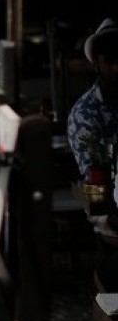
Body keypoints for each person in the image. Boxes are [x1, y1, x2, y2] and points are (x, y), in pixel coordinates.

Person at [68, 18, 118, 212]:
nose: (117, 68)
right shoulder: (86, 114)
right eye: (110, 61)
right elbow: (95, 183)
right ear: (96, 63)